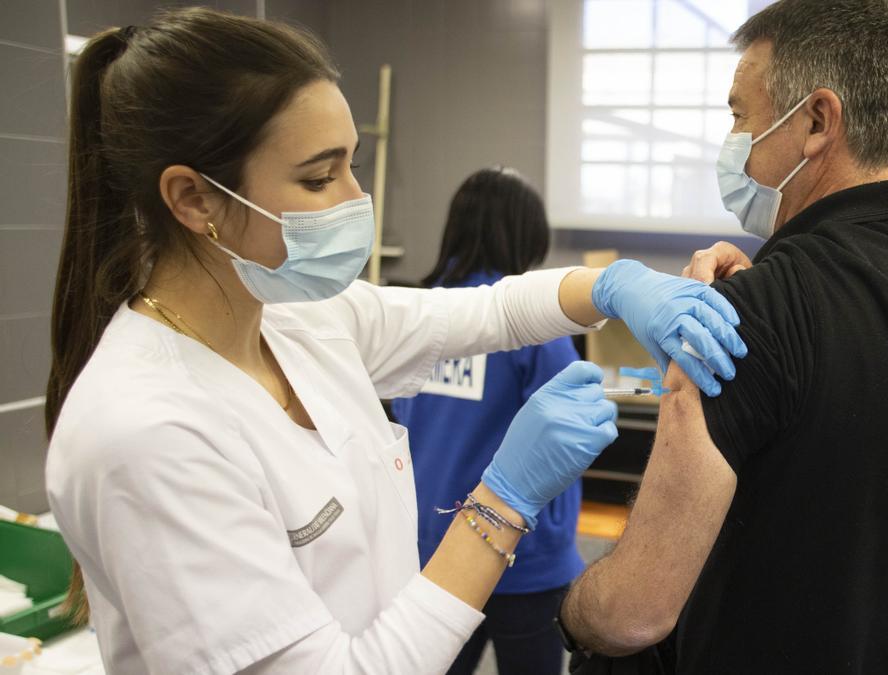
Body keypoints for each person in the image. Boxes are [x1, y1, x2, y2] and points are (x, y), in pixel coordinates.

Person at [41, 9, 746, 674]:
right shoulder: (146, 433)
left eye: (351, 163)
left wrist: (614, 285)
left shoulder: (298, 318)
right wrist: (500, 502)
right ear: (194, 199)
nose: (355, 198)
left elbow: (486, 312)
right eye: (319, 176)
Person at [557, 1, 888, 673]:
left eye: (740, 114)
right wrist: (765, 282)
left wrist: (568, 608)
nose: (732, 137)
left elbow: (631, 611)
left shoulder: (757, 314)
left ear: (818, 121)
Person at [391, 166, 584, 675]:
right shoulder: (533, 320)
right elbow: (576, 429)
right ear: (526, 234)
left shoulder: (419, 314)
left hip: (433, 553)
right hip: (523, 557)